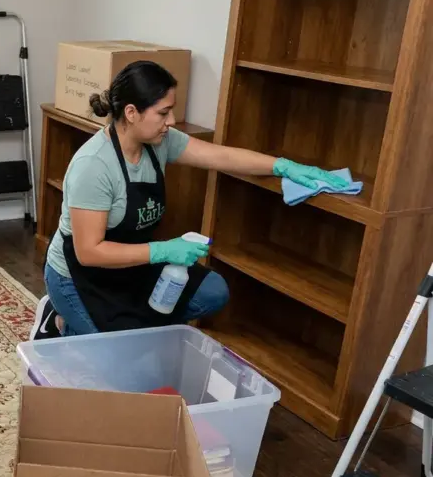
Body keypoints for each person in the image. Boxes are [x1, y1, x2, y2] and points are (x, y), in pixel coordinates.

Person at [31, 60, 348, 340]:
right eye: (163, 112)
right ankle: (60, 322)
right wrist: (164, 251)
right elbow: (89, 252)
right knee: (121, 356)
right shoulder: (94, 166)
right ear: (131, 112)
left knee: (213, 292)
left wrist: (283, 166)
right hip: (79, 277)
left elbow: (221, 156)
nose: (170, 121)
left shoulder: (159, 142)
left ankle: (132, 328)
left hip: (131, 266)